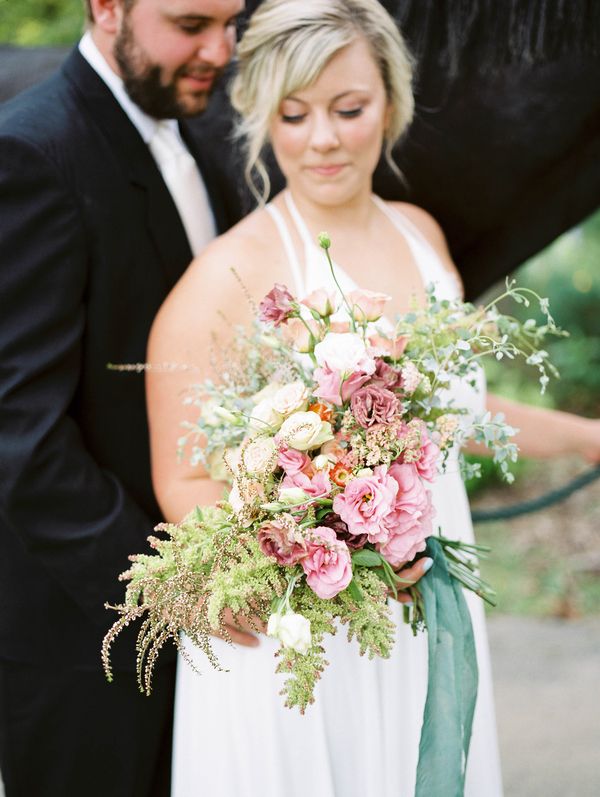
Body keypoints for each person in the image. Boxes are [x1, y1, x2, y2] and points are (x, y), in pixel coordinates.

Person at [146, 1, 600, 795]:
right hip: (309, 644)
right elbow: (183, 483)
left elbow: (461, 417)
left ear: (390, 102)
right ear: (262, 117)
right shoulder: (229, 276)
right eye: (295, 113)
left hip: (428, 616)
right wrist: (332, 559)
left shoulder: (422, 236)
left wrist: (591, 437)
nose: (323, 138)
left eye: (348, 108)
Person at [0, 0, 244, 795]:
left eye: (232, 21)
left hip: (206, 627)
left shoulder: (195, 133)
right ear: (107, 6)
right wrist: (168, 593)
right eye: (190, 23)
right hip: (85, 643)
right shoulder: (33, 151)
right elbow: (19, 436)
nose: (220, 49)